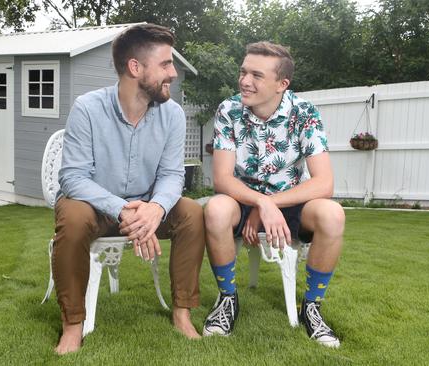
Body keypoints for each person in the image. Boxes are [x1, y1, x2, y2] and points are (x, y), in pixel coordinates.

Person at [52, 24, 205, 354]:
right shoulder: (88, 109)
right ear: (135, 67)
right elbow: (73, 178)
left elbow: (171, 175)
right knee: (73, 216)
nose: (173, 73)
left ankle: (182, 312)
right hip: (96, 206)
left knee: (191, 212)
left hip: (147, 205)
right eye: (165, 64)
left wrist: (155, 209)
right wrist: (123, 208)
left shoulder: (173, 115)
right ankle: (73, 324)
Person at [202, 41, 345, 348]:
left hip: (291, 202)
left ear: (282, 84)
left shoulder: (304, 112)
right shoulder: (229, 110)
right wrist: (258, 202)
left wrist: (271, 203)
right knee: (215, 209)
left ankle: (311, 309)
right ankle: (227, 300)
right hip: (241, 201)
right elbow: (222, 178)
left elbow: (324, 183)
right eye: (243, 72)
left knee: (333, 214)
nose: (244, 81)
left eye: (256, 75)